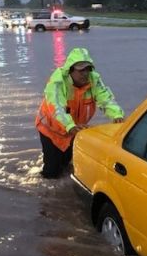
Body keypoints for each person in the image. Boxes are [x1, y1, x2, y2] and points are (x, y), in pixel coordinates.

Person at [34, 47, 124, 178]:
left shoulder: (94, 80)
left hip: (73, 130)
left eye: (88, 69)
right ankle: (46, 192)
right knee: (51, 171)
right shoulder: (57, 82)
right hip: (51, 131)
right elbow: (57, 108)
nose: (85, 73)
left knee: (66, 163)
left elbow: (106, 100)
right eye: (81, 70)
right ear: (70, 70)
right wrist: (70, 127)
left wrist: (117, 116)